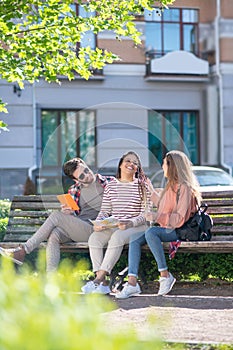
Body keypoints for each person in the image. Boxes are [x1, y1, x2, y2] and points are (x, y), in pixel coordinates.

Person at [0, 158, 113, 272]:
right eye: (82, 176)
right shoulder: (74, 190)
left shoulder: (109, 182)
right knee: (55, 234)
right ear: (76, 180)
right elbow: (75, 217)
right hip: (81, 229)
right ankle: (51, 280)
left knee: (56, 216)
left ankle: (23, 250)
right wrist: (68, 214)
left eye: (86, 171)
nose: (87, 175)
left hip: (98, 230)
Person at [116, 150, 202, 299]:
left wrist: (156, 216)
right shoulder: (172, 185)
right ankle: (132, 284)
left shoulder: (185, 188)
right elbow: (163, 207)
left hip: (182, 230)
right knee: (135, 239)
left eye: (164, 163)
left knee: (152, 232)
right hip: (171, 229)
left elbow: (179, 219)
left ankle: (165, 275)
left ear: (172, 166)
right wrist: (149, 189)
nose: (162, 166)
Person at [81, 151, 151, 295]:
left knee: (118, 237)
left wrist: (130, 223)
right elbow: (105, 210)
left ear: (137, 168)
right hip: (116, 225)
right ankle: (104, 284)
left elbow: (146, 215)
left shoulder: (142, 186)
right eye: (128, 161)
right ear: (120, 164)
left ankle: (98, 279)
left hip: (137, 227)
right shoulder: (111, 186)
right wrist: (99, 222)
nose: (131, 164)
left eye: (135, 163)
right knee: (94, 238)